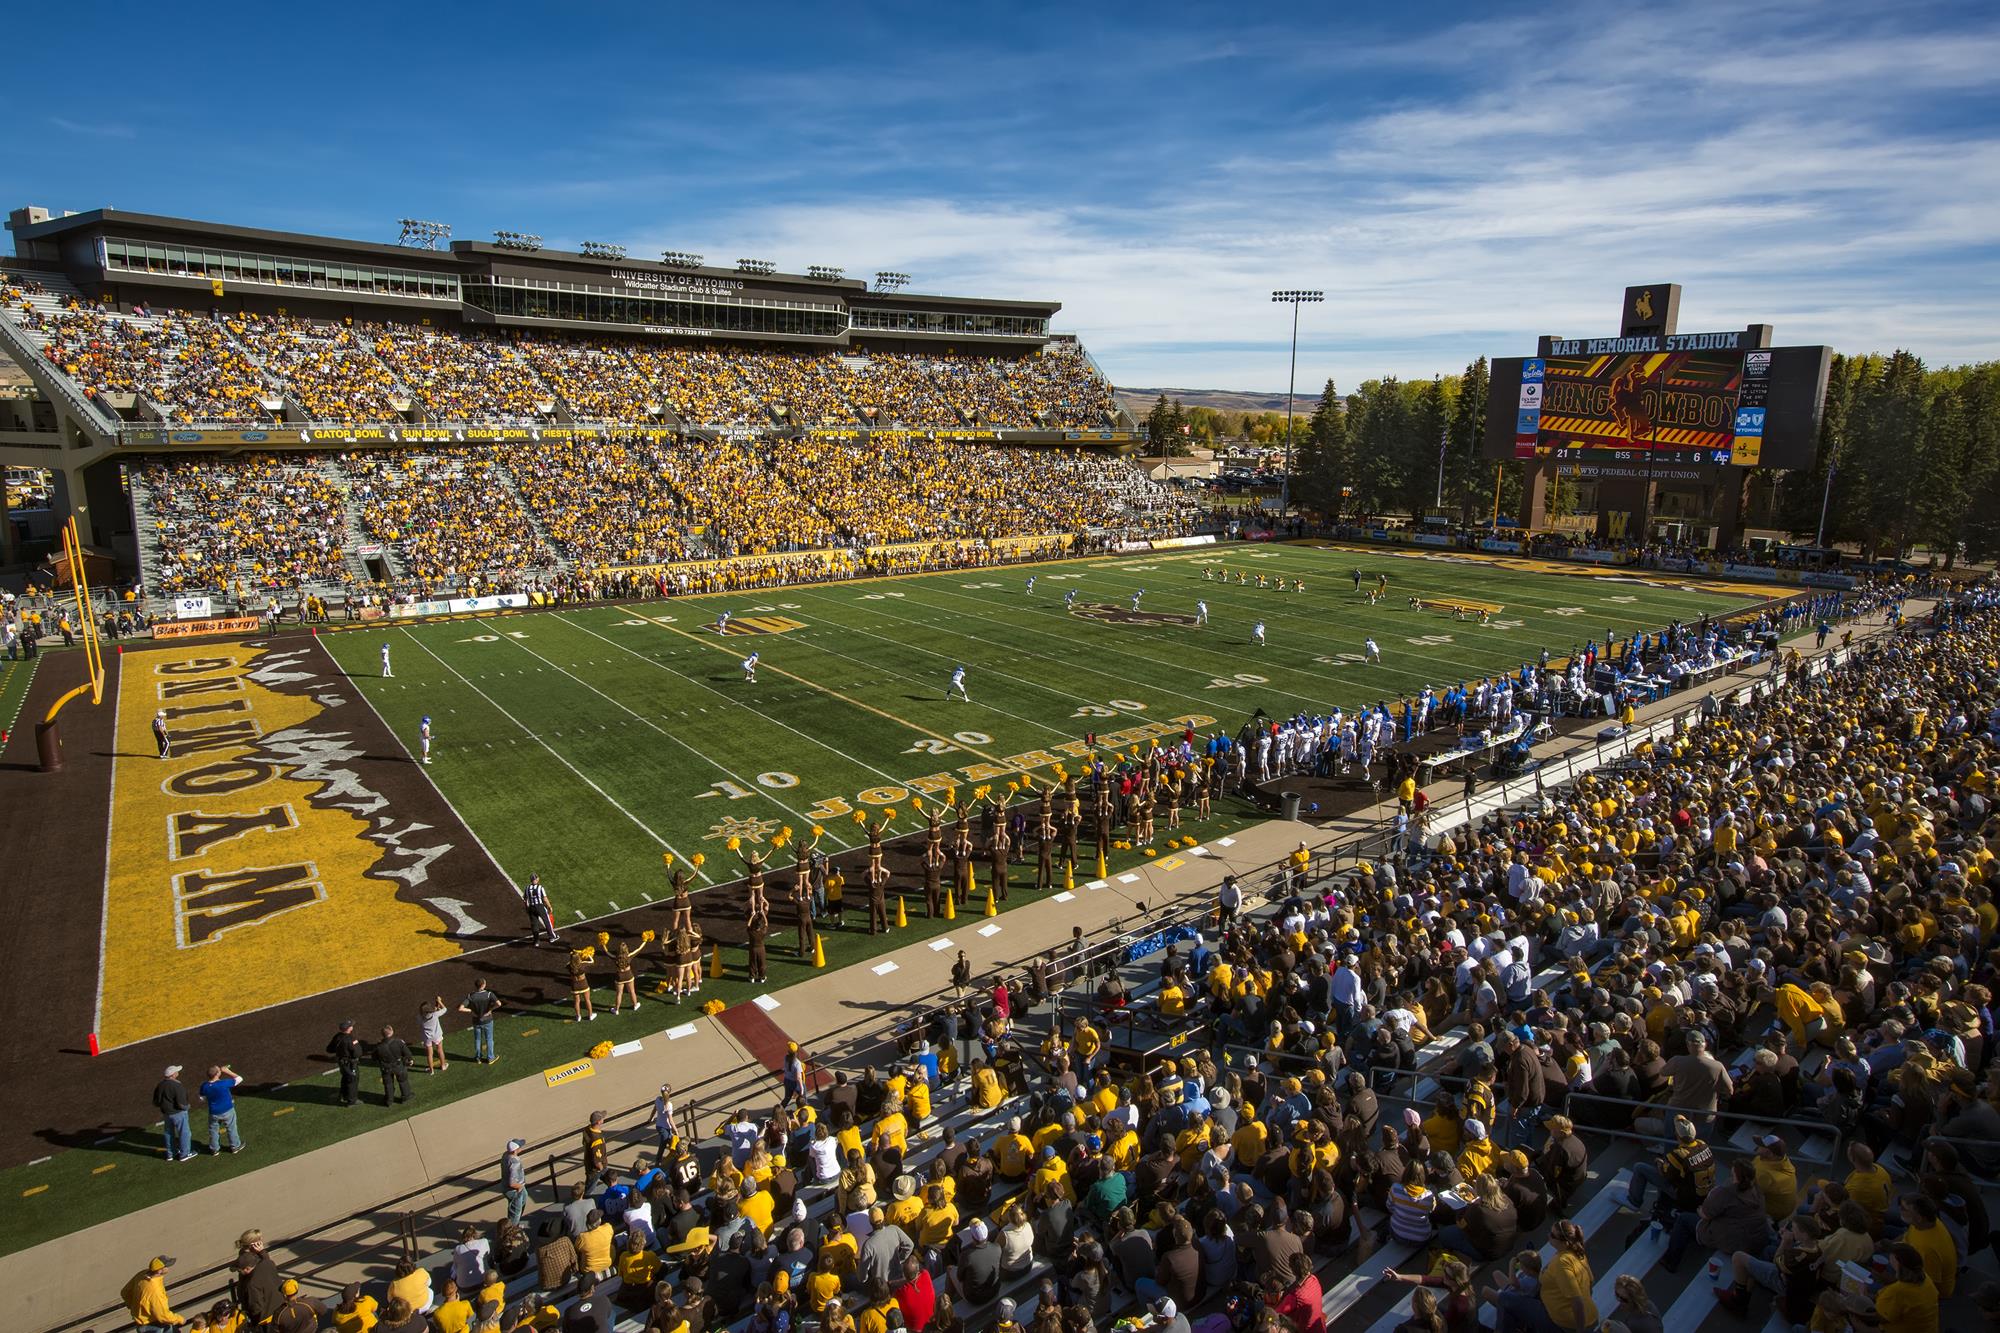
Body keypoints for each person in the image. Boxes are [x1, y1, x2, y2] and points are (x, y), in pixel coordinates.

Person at [122, 1255, 183, 1331]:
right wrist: (179, 1319)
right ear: (159, 1271)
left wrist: (135, 1307)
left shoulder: (141, 1274)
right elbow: (163, 1316)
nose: (168, 1268)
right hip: (155, 1325)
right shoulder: (155, 1291)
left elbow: (125, 1292)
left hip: (141, 1324)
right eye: (167, 1266)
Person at [199, 1063, 245, 1155]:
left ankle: (214, 1149)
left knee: (213, 1130)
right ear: (217, 1074)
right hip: (227, 1110)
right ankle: (235, 1146)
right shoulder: (223, 1083)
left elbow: (202, 1098)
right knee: (231, 1128)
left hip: (213, 1112)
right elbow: (239, 1079)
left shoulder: (204, 1086)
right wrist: (227, 1071)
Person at [154, 1065, 193, 1164]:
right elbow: (181, 1104)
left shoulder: (160, 1085)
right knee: (184, 1133)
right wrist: (187, 1107)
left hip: (166, 1114)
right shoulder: (176, 1086)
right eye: (176, 1071)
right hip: (178, 1113)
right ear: (173, 1075)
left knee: (168, 1133)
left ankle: (171, 1154)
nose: (178, 1072)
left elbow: (156, 1102)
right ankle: (185, 1154)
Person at [459, 978, 502, 1065]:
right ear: (483, 985)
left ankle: (478, 1057)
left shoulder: (471, 996)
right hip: (488, 1020)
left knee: (477, 1039)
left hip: (476, 1021)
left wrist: (471, 1010)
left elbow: (460, 1008)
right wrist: (490, 1010)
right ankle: (490, 1058)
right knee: (489, 1039)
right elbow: (499, 1004)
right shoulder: (489, 994)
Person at [377, 1024, 414, 1106]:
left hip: (386, 1068)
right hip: (399, 1066)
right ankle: (406, 1096)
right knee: (403, 1081)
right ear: (392, 1032)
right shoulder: (399, 1042)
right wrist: (410, 1060)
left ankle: (389, 1100)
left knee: (388, 1084)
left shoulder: (379, 1046)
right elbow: (407, 1053)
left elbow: (374, 1057)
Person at [501, 1138, 530, 1226]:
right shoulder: (514, 1162)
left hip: (513, 1187)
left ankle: (514, 1225)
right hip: (515, 1190)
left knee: (523, 1199)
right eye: (520, 1146)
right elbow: (512, 1183)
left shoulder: (505, 1155)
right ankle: (511, 1230)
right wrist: (520, 1187)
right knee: (515, 1213)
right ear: (515, 1150)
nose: (522, 1147)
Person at [523, 874, 557, 946]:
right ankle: (552, 937)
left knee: (534, 924)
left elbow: (525, 900)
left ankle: (536, 941)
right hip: (540, 907)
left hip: (531, 907)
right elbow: (544, 898)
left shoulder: (527, 888)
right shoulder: (540, 887)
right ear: (537, 879)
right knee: (546, 921)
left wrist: (527, 908)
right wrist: (549, 906)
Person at [420, 995, 449, 1074]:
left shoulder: (419, 1018)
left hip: (427, 1037)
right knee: (440, 1050)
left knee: (430, 1054)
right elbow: (445, 1009)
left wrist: (436, 1009)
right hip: (437, 1035)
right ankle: (443, 1066)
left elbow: (430, 1014)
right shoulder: (435, 1014)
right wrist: (439, 1001)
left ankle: (431, 1070)